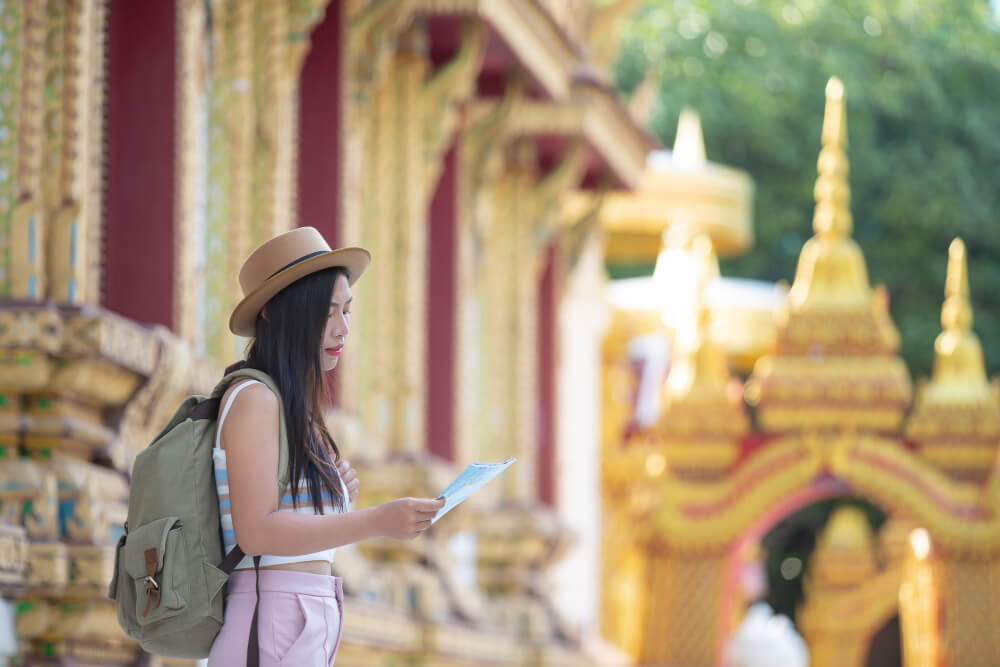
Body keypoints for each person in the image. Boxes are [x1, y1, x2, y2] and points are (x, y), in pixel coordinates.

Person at [207, 227, 445, 666]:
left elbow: (283, 521)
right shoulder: (256, 399)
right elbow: (256, 532)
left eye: (347, 310)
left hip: (296, 620)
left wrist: (334, 498)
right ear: (283, 316)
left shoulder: (293, 408)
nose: (342, 328)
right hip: (269, 623)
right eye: (327, 312)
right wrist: (374, 520)